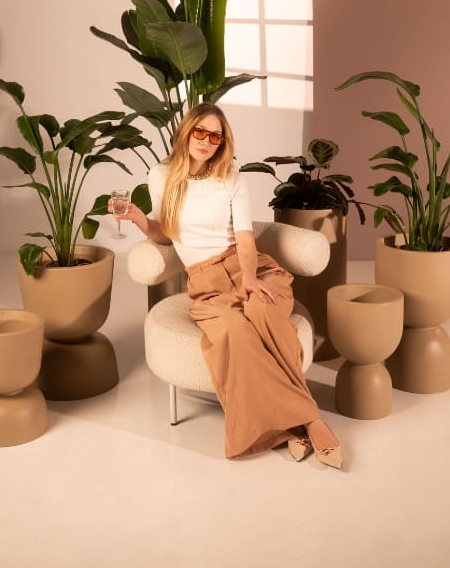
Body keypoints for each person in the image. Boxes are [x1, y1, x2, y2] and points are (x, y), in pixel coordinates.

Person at [110, 103, 342, 468]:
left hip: (248, 266)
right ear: (186, 132)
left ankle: (298, 424)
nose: (206, 141)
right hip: (207, 284)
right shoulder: (161, 175)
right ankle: (306, 420)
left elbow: (246, 237)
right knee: (235, 332)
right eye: (200, 132)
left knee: (263, 312)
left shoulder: (231, 176)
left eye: (215, 136)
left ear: (222, 142)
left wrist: (249, 278)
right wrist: (140, 219)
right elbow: (167, 235)